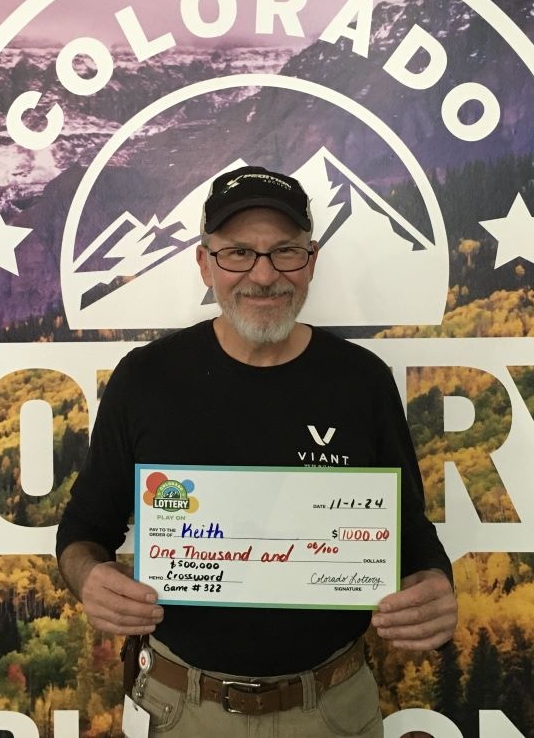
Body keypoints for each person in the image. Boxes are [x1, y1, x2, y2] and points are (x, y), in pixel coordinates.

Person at [56, 165, 457, 736]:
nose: (264, 275)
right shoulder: (145, 380)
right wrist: (90, 577)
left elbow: (410, 532)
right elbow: (82, 529)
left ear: (311, 261)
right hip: (181, 709)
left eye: (285, 252)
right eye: (238, 253)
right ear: (204, 263)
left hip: (333, 707)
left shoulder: (361, 381)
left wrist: (436, 583)